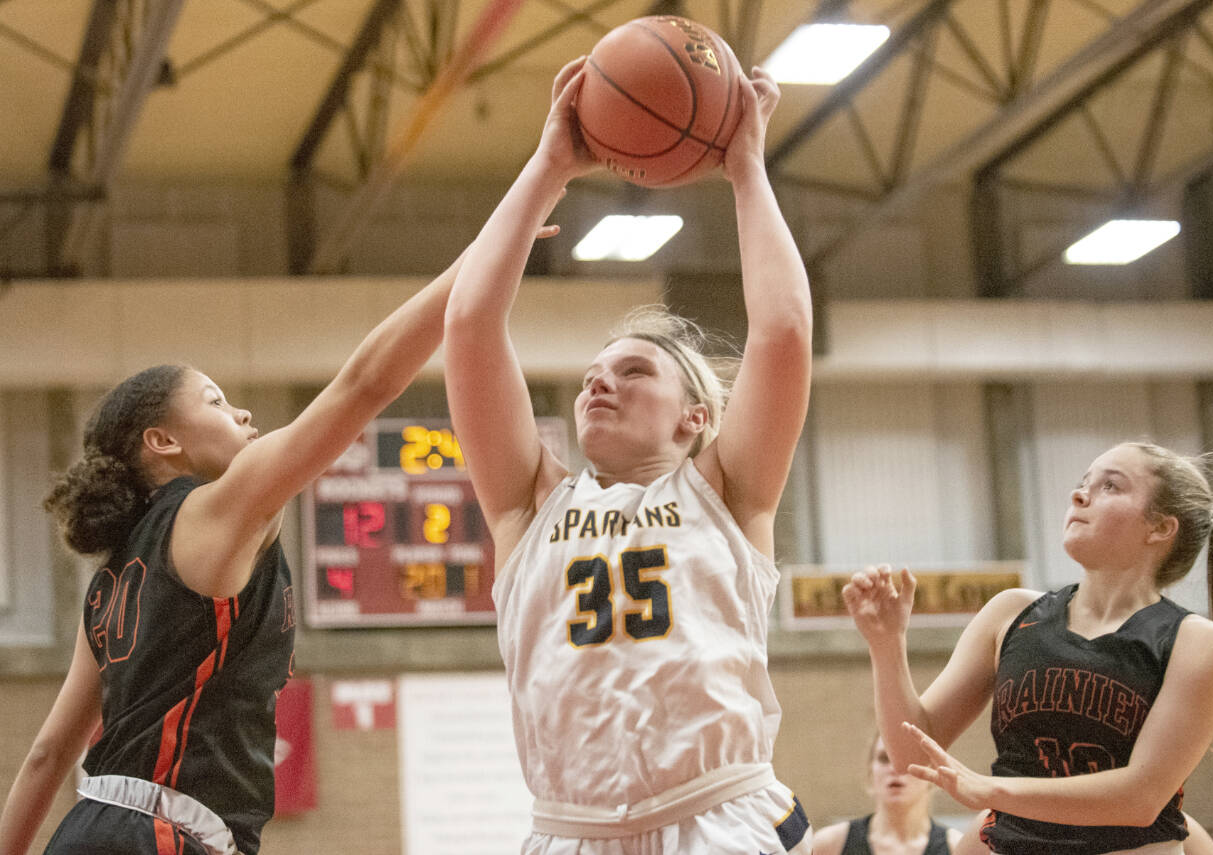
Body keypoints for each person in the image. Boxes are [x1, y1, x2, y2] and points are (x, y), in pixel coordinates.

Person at [0, 218, 559, 854]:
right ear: (163, 442)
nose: (240, 412)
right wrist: (485, 254)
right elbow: (364, 385)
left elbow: (48, 755)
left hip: (92, 824)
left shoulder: (109, 584)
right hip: (160, 834)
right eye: (213, 402)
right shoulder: (218, 511)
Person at [442, 55, 814, 854]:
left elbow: (782, 333)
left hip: (717, 816)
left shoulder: (730, 492)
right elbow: (469, 324)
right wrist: (549, 165)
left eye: (633, 370)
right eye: (589, 378)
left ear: (695, 416)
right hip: (569, 831)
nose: (598, 387)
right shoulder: (529, 506)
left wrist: (748, 168)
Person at [842, 441, 1213, 855]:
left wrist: (991, 791)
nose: (1079, 495)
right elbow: (911, 754)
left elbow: (1140, 798)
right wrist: (887, 645)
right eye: (1084, 482)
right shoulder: (1010, 612)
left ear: (1160, 527)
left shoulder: (1197, 641)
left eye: (1110, 485)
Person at [813, 734, 964, 855]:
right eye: (884, 758)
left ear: (933, 772)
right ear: (870, 771)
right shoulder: (828, 845)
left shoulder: (958, 848)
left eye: (909, 759)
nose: (895, 769)